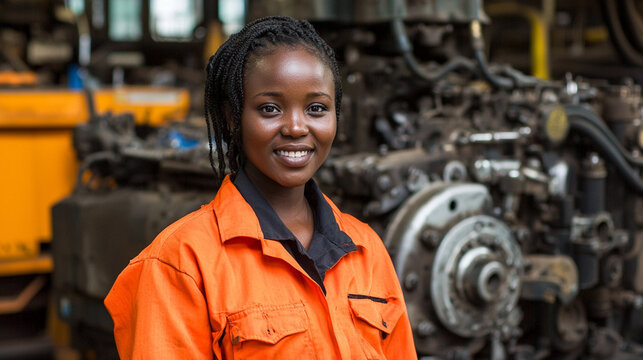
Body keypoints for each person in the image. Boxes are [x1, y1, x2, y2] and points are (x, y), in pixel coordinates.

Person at [105, 16, 417, 359]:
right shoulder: (181, 264)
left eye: (316, 108)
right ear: (232, 117)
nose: (297, 127)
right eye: (270, 108)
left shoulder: (366, 251)